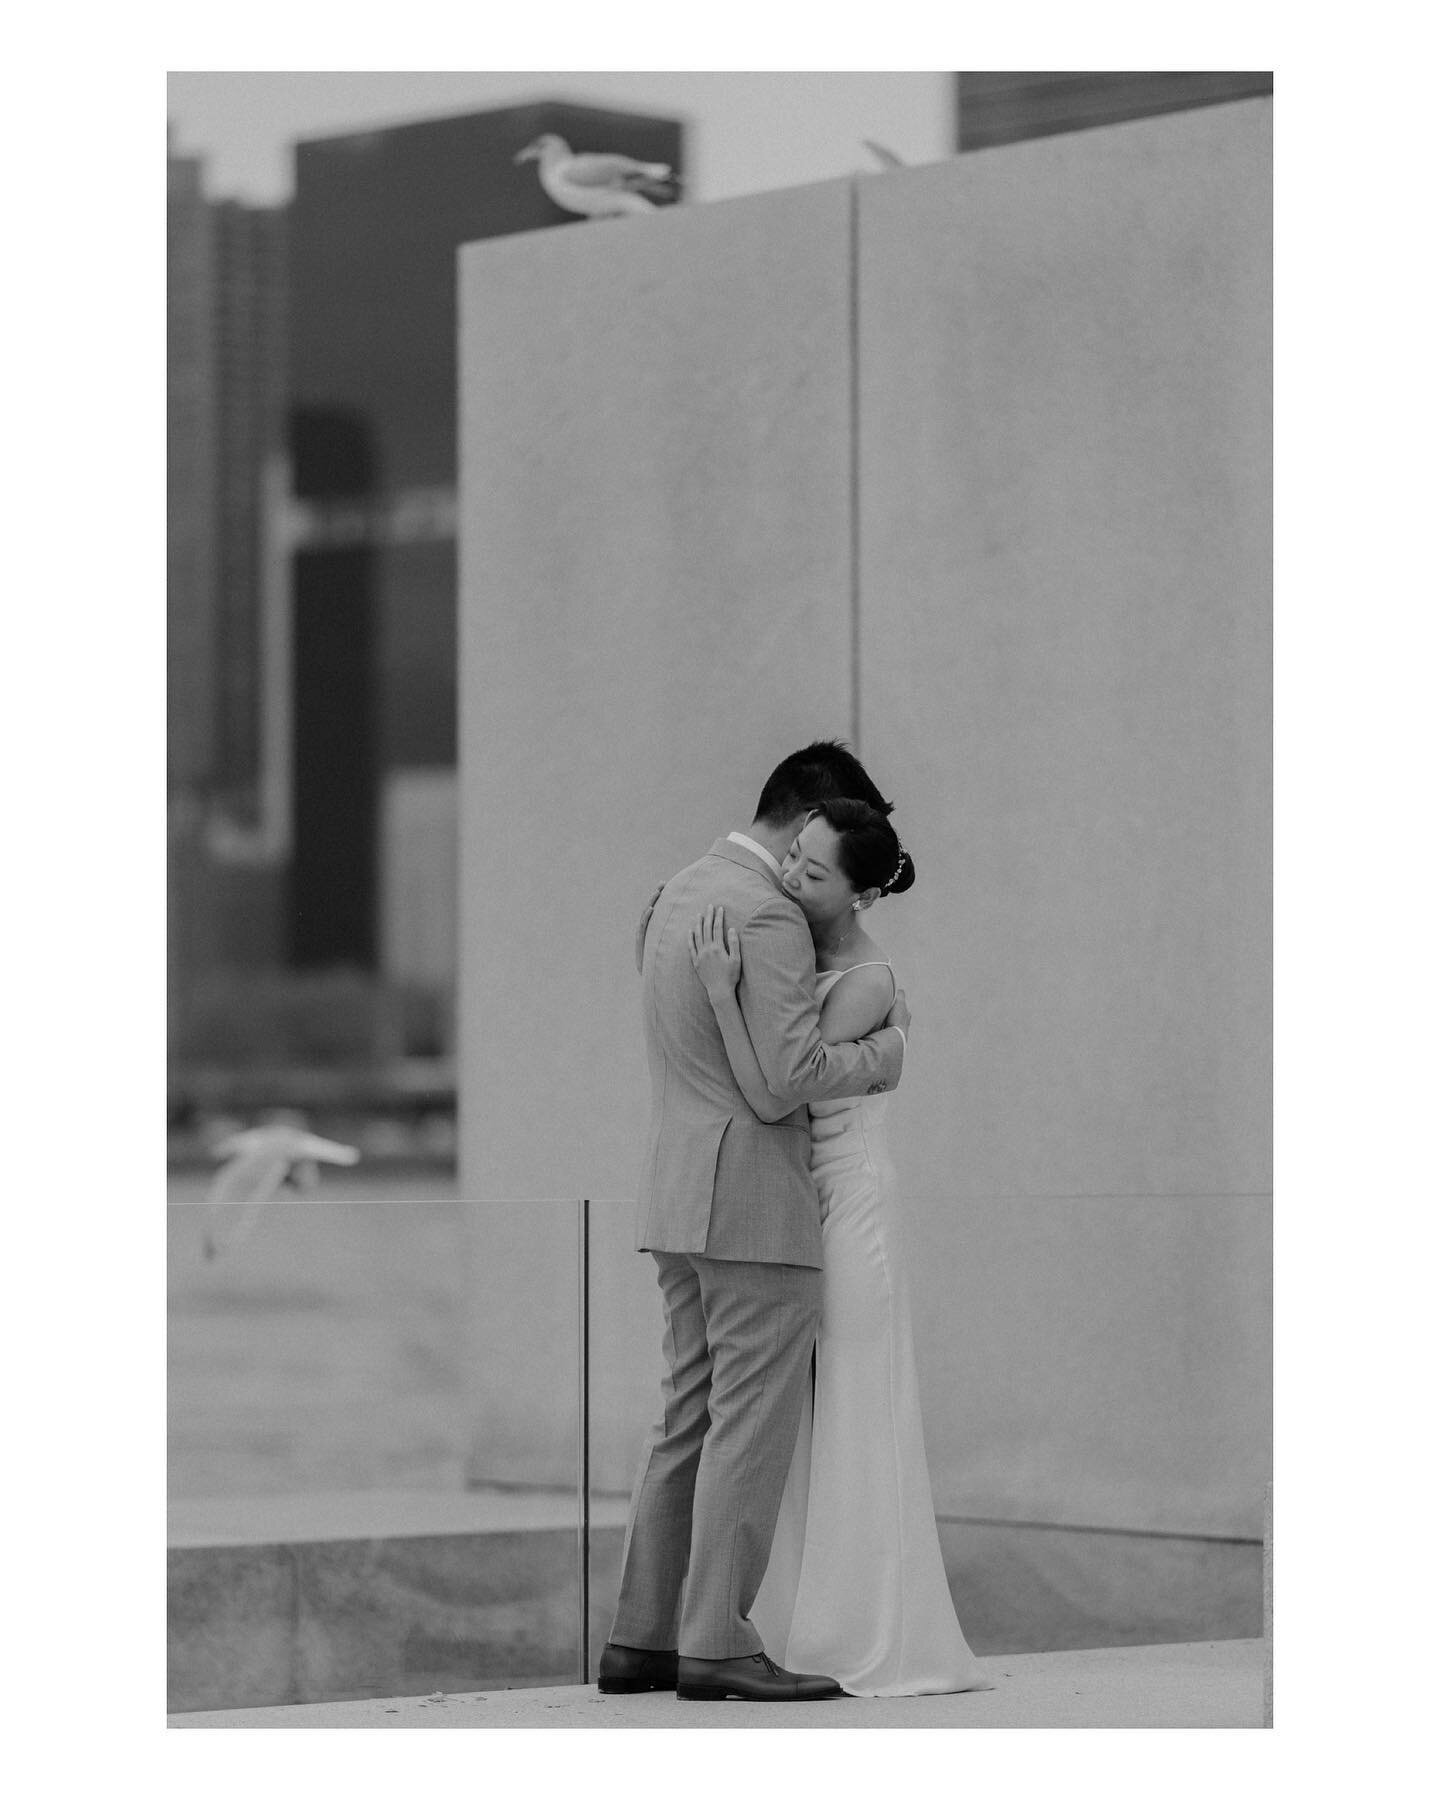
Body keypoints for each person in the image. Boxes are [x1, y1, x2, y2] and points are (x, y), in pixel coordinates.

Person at [598, 742, 911, 1703]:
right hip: (753, 1202)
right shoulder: (768, 913)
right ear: (814, 815)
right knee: (748, 1422)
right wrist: (886, 1054)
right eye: (822, 843)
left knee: (686, 1415)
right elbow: (785, 1084)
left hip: (675, 1187)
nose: (814, 866)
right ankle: (718, 1642)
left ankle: (642, 1640)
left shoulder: (677, 891)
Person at [689, 797, 991, 1697]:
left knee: (856, 1405)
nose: (791, 876)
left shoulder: (862, 981)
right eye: (796, 860)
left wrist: (719, 991)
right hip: (802, 1195)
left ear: (859, 895)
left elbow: (778, 1088)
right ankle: (788, 1619)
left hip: (850, 1202)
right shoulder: (798, 946)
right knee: (807, 1414)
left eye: (815, 874)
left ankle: (859, 1628)